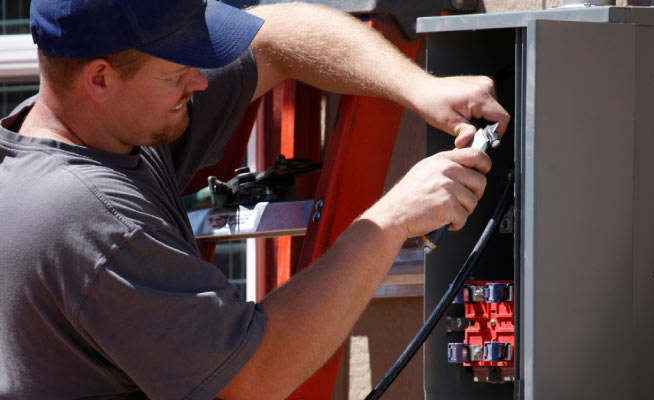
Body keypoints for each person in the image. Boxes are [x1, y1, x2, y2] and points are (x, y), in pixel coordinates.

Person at [0, 0, 509, 398]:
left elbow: (276, 37)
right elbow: (255, 375)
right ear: (100, 79)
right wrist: (392, 220)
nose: (200, 81)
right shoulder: (92, 220)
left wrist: (418, 88)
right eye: (179, 72)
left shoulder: (90, 130)